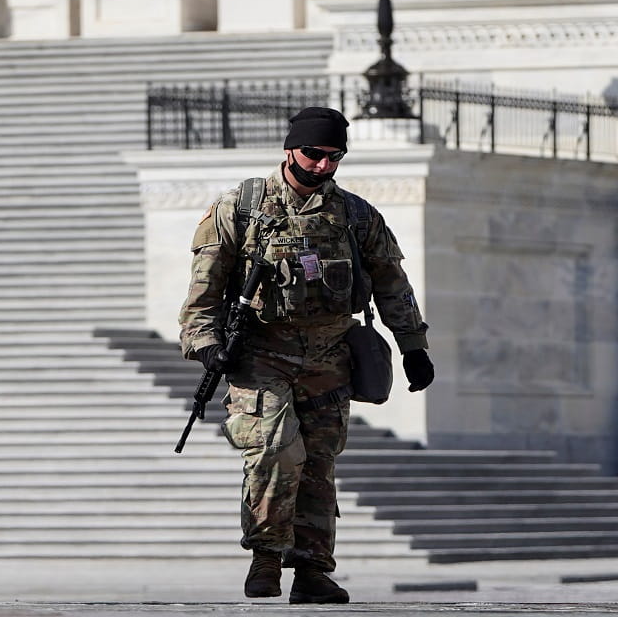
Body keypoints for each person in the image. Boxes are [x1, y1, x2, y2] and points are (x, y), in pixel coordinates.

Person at [179, 106, 434, 604]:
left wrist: (414, 348)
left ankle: (313, 571)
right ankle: (266, 557)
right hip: (260, 353)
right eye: (314, 154)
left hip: (329, 355)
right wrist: (206, 343)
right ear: (289, 148)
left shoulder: (357, 216)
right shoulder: (242, 207)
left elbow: (392, 284)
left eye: (333, 157)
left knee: (319, 462)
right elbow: (203, 290)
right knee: (276, 450)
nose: (322, 166)